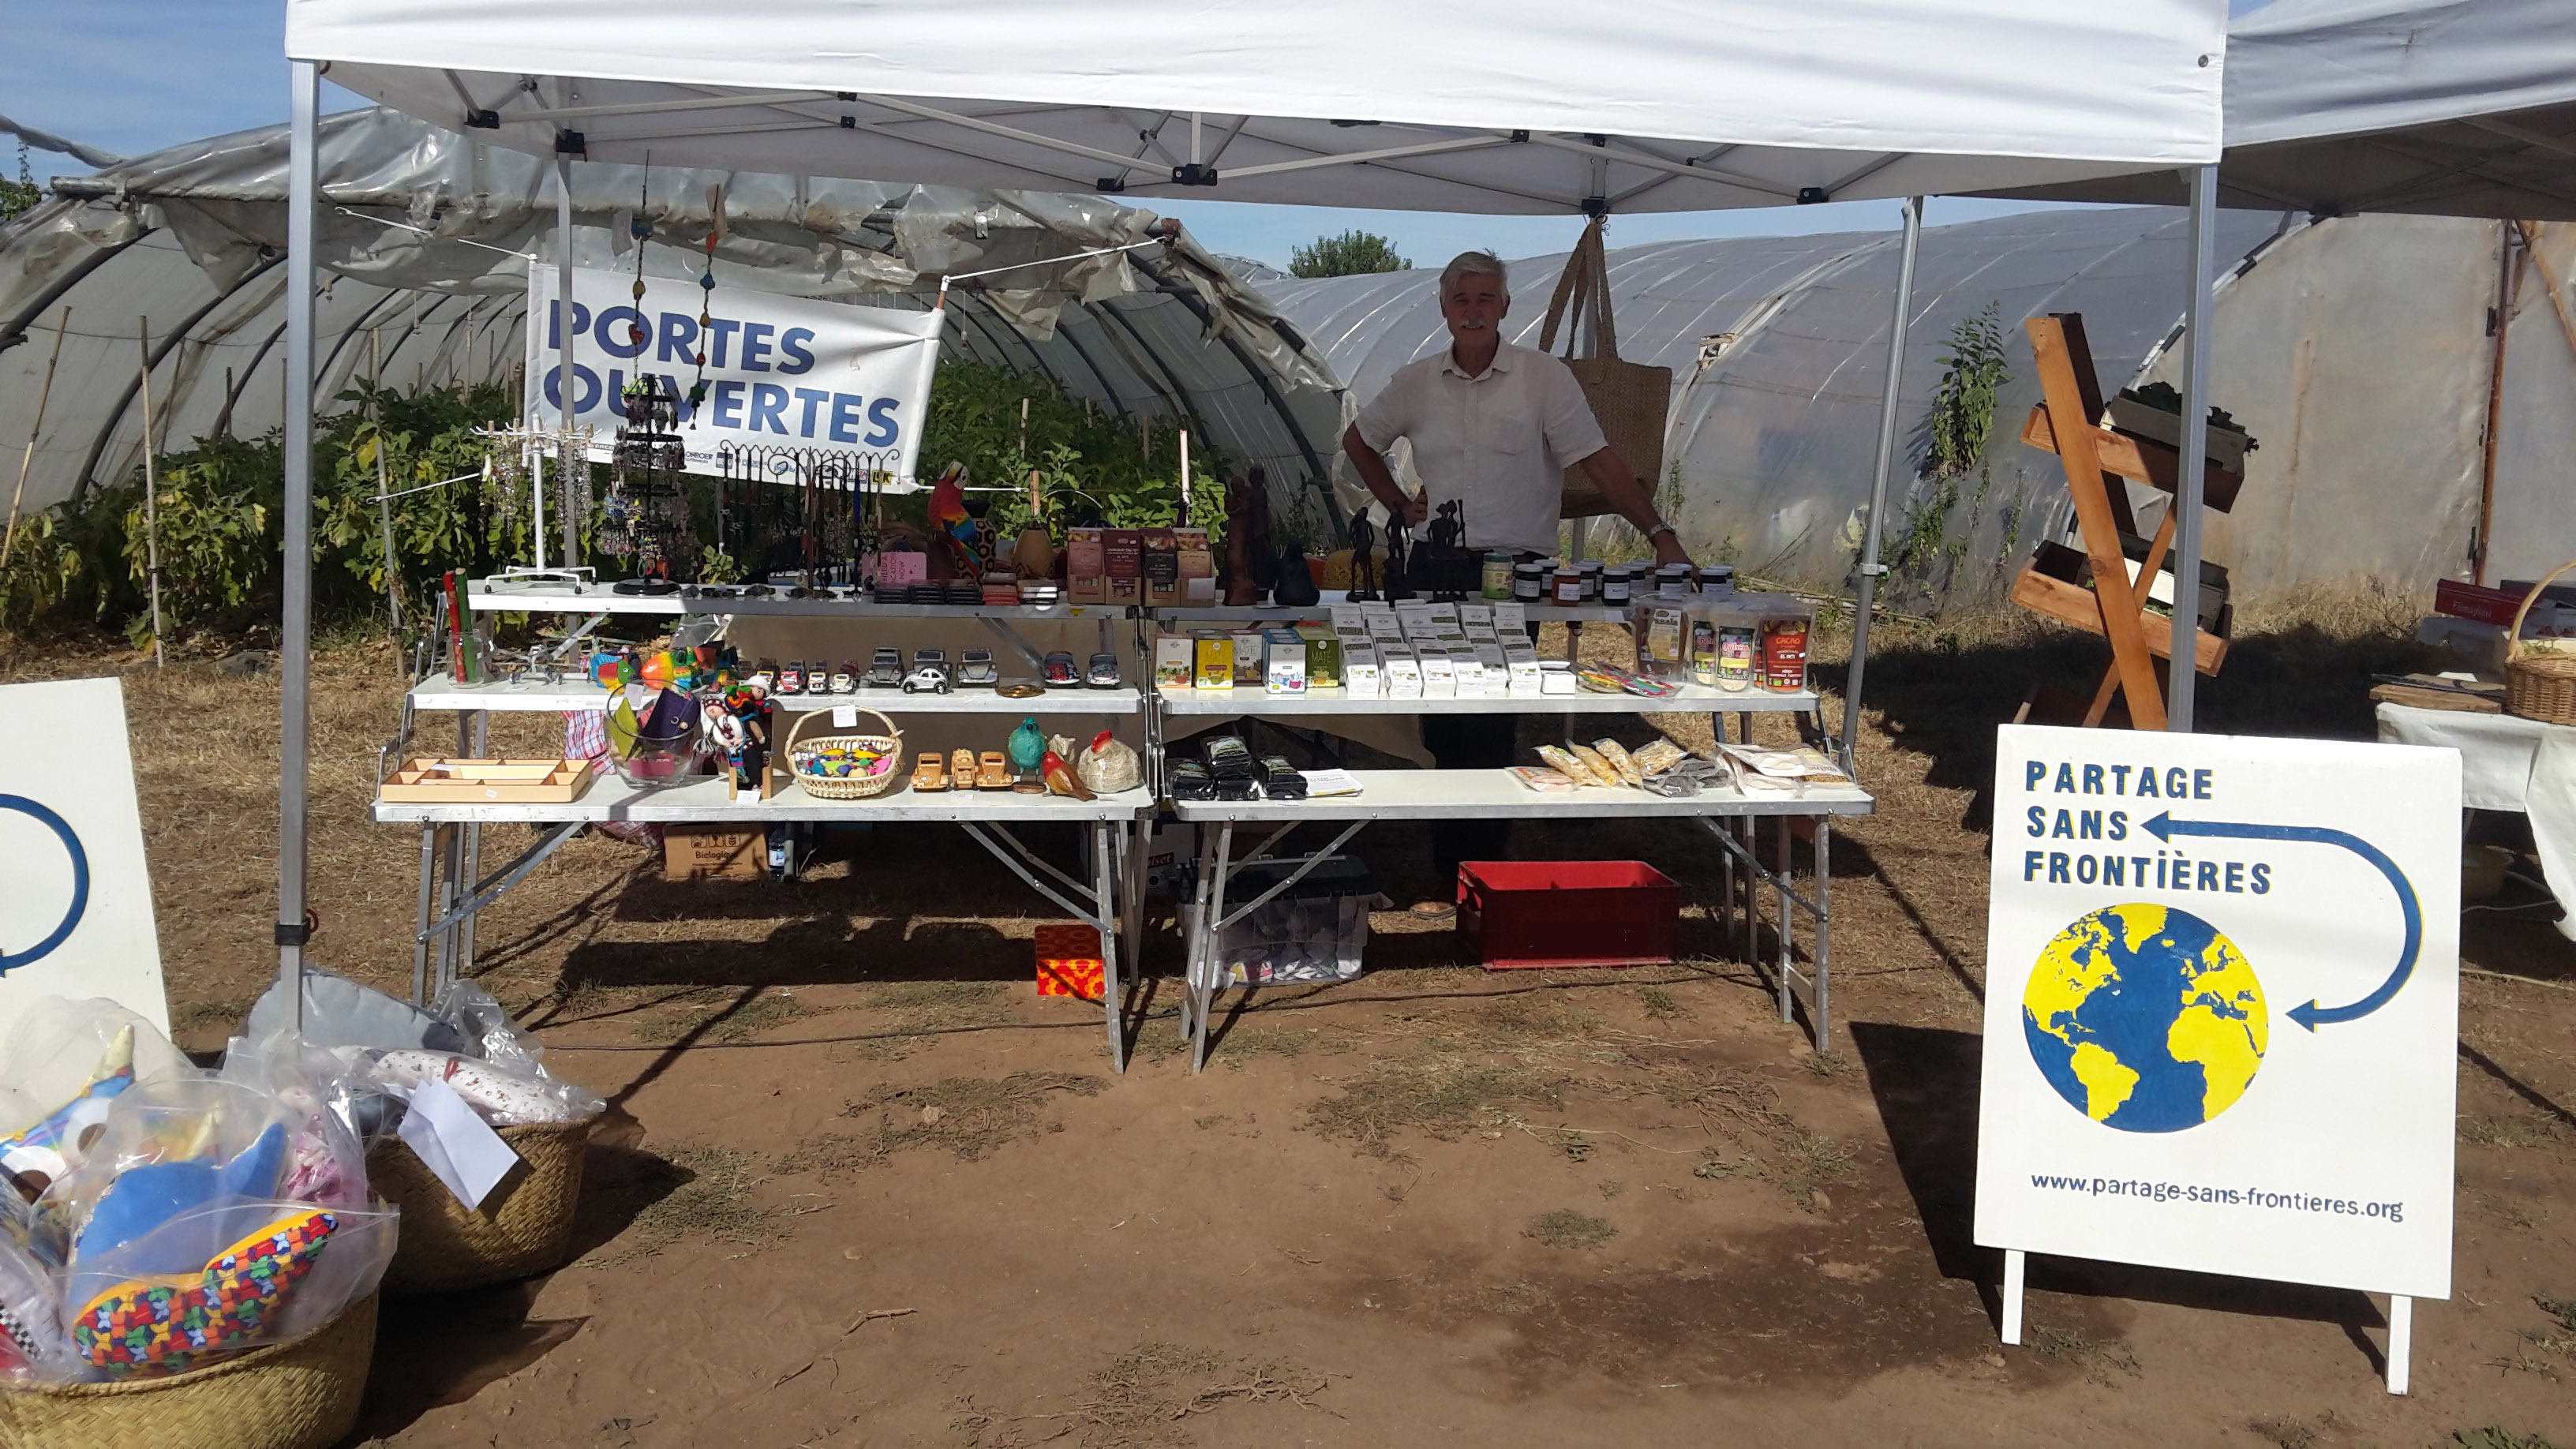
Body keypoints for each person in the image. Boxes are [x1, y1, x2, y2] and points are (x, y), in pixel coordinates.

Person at [1342, 250, 1696, 914]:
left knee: (1492, 717)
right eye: (1461, 298)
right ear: (1444, 308)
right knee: (1441, 721)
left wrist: (1660, 535)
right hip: (1433, 569)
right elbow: (1358, 439)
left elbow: (1601, 462)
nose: (1473, 309)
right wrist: (1396, 502)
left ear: (1506, 307)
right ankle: (1447, 872)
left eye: (1486, 298)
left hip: (1511, 575)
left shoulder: (1543, 379)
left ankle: (1477, 875)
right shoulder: (1416, 382)